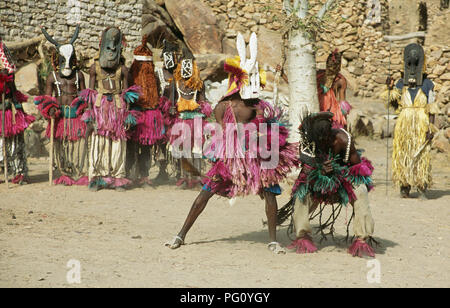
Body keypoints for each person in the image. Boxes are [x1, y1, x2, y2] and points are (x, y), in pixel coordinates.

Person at [165, 32, 299, 254]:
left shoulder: (255, 105)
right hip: (230, 161)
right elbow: (222, 134)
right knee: (205, 194)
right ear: (238, 82)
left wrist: (261, 134)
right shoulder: (223, 107)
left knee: (269, 194)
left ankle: (273, 240)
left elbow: (267, 128)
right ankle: (180, 235)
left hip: (255, 159)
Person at [277, 112, 377, 257]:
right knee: (301, 193)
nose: (322, 142)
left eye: (324, 139)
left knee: (360, 190)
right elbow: (306, 170)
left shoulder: (344, 140)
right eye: (319, 140)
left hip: (344, 179)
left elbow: (357, 168)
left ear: (330, 134)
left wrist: (337, 173)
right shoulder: (308, 141)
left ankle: (362, 239)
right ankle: (302, 236)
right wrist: (319, 171)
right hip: (315, 180)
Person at [80, 27, 140, 191]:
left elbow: (127, 93)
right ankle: (98, 176)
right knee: (99, 141)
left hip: (117, 108)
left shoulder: (123, 70)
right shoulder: (95, 68)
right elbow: (90, 93)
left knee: (118, 142)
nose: (112, 49)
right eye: (109, 45)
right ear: (102, 46)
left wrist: (127, 115)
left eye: (115, 46)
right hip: (100, 109)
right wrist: (90, 114)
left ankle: (117, 177)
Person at [382, 43, 439, 199]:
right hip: (404, 124)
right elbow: (394, 105)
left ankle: (421, 186)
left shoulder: (428, 85)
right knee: (403, 154)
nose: (413, 66)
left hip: (421, 124)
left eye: (416, 62)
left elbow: (431, 109)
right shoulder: (401, 84)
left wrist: (430, 129)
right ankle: (404, 186)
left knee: (421, 155)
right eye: (410, 62)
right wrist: (390, 89)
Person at [34, 25, 89, 186]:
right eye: (64, 60)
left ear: (74, 60)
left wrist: (86, 109)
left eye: (70, 60)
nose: (67, 65)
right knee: (61, 147)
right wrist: (50, 109)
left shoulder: (79, 75)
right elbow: (46, 97)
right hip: (59, 119)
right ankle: (64, 173)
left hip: (75, 118)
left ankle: (78, 171)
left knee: (78, 146)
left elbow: (84, 96)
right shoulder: (52, 77)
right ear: (57, 60)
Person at [168, 47, 212, 189]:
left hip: (196, 121)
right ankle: (185, 178)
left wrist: (204, 108)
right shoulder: (175, 83)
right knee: (184, 150)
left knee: (197, 150)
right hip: (181, 120)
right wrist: (171, 108)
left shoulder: (199, 84)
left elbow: (203, 100)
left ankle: (197, 177)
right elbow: (170, 102)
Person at [126, 35, 166, 187]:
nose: (145, 70)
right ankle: (131, 174)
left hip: (150, 114)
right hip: (135, 114)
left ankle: (144, 175)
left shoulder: (154, 77)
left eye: (147, 66)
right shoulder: (130, 75)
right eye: (141, 66)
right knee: (132, 146)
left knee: (147, 147)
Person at [0, 37, 35, 184]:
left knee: (14, 144)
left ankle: (18, 172)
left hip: (9, 110)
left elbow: (12, 89)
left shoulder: (7, 67)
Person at [317, 49, 351, 129]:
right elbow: (343, 104)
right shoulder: (340, 80)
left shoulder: (318, 75)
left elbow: (342, 104)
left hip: (324, 110)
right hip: (324, 110)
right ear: (339, 66)